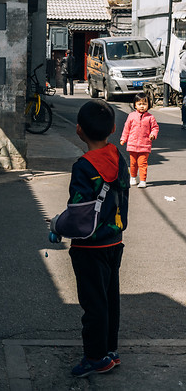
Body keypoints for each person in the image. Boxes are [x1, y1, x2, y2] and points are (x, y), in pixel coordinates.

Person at [49, 100, 130, 378]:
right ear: (114, 129)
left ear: (79, 130)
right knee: (109, 299)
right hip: (114, 240)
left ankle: (95, 357)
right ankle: (110, 350)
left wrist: (57, 225)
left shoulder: (84, 166)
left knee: (93, 303)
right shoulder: (119, 158)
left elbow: (79, 212)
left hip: (89, 246)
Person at [120, 92, 158, 188]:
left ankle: (142, 180)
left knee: (142, 163)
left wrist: (153, 134)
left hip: (145, 145)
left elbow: (155, 128)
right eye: (139, 104)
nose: (142, 106)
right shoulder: (131, 116)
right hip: (132, 145)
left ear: (148, 105)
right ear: (135, 105)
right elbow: (126, 128)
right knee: (133, 163)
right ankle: (133, 177)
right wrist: (123, 139)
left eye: (144, 104)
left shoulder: (150, 117)